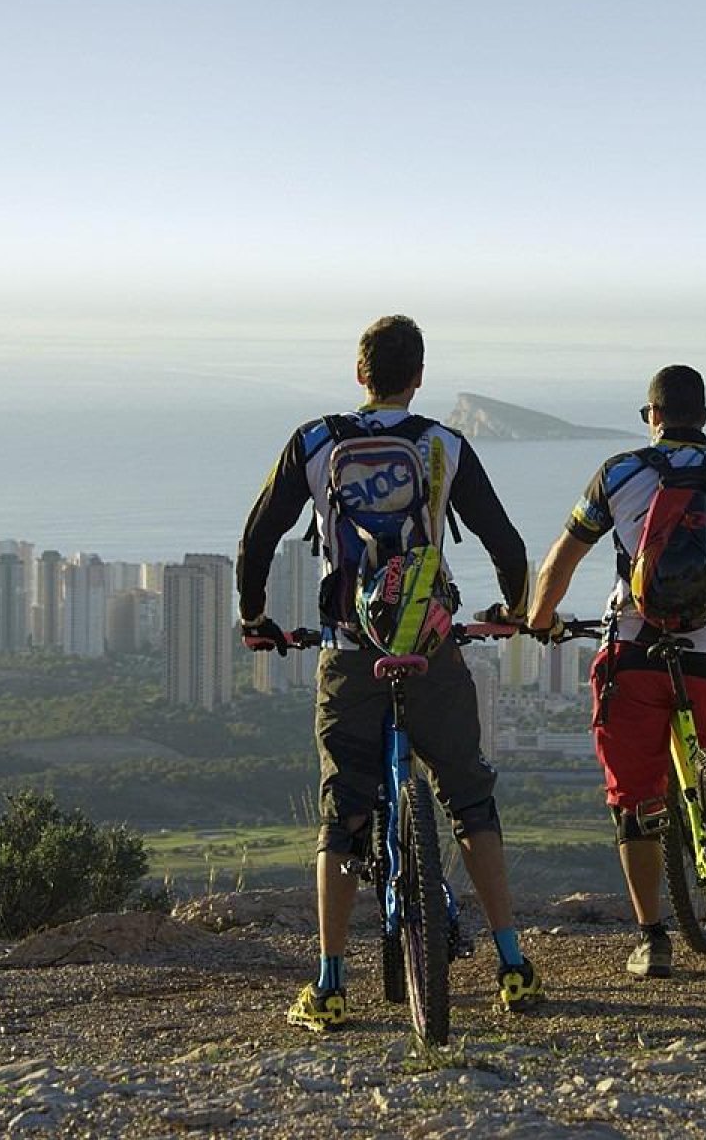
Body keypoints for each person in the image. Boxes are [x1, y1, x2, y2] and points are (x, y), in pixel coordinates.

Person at [236, 314, 544, 1029]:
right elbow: (507, 543)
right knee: (470, 800)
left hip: (349, 650)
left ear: (359, 375)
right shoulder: (442, 443)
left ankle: (329, 982)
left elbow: (257, 539)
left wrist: (255, 617)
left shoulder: (316, 442)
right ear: (419, 377)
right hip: (430, 648)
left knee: (341, 814)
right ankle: (512, 963)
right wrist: (514, 607)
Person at [527, 364, 706, 979]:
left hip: (633, 651)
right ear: (703, 417)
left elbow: (559, 562)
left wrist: (541, 619)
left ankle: (652, 938)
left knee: (635, 798)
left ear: (651, 416)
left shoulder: (619, 473)